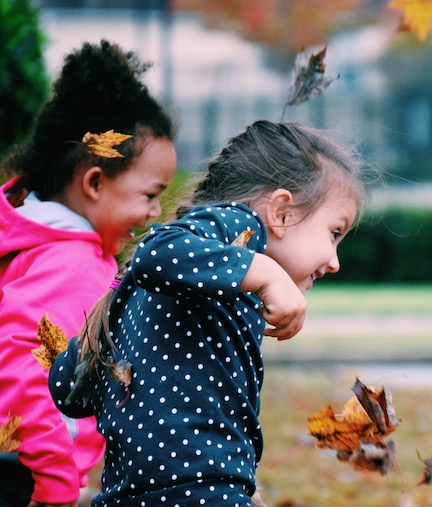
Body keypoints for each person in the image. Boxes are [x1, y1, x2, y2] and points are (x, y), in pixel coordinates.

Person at [48, 119, 371, 506]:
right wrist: (268, 274)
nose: (334, 262)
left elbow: (67, 388)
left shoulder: (150, 285)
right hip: (202, 493)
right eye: (334, 233)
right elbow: (158, 250)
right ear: (281, 213)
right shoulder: (239, 227)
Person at [0, 40, 177, 507]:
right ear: (95, 182)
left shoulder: (34, 242)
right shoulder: (70, 264)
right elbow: (25, 370)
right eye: (149, 195)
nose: (155, 213)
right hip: (28, 483)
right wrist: (56, 483)